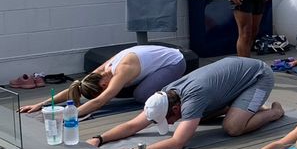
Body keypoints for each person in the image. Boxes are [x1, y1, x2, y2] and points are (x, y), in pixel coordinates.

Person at [89, 57, 283, 149]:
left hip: (258, 76)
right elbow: (133, 125)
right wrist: (100, 139)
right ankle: (238, 106)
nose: (172, 123)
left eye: (170, 119)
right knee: (199, 119)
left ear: (175, 107)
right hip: (230, 78)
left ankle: (273, 111)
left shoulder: (193, 99)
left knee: (233, 127)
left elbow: (177, 143)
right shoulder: (164, 96)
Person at [20, 45, 188, 118]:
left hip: (175, 61)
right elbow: (75, 88)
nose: (104, 90)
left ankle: (176, 86)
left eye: (101, 88)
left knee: (141, 95)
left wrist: (69, 116)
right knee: (121, 91)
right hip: (152, 62)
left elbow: (101, 100)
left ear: (102, 83)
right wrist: (42, 104)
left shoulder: (123, 69)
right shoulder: (100, 72)